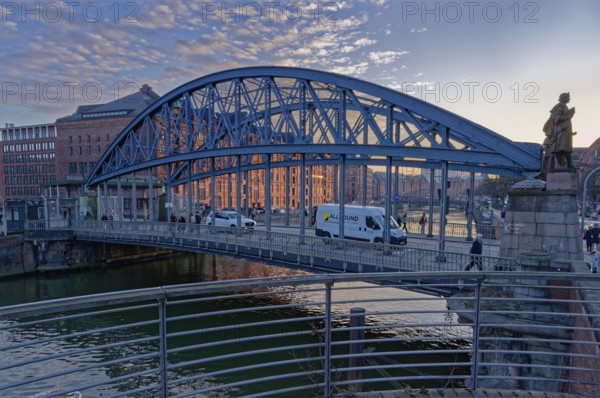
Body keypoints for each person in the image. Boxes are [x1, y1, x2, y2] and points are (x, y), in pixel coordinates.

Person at [542, 92, 576, 169]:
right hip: (561, 131)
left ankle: (568, 165)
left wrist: (571, 133)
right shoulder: (560, 107)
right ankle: (560, 165)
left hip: (566, 132)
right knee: (561, 148)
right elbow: (555, 118)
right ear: (564, 98)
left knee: (567, 149)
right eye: (568, 98)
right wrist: (568, 116)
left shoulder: (564, 107)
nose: (569, 99)